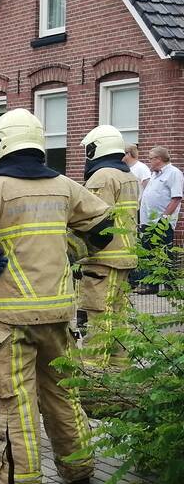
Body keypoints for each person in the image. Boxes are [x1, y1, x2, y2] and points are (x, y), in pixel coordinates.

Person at [0, 109, 113, 484]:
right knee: (63, 393)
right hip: (58, 314)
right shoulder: (65, 186)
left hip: (9, 319)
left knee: (15, 402)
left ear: (0, 145)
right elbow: (105, 229)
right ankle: (78, 468)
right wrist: (69, 250)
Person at [73, 126, 138, 349]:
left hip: (103, 259)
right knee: (118, 318)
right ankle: (119, 366)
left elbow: (92, 220)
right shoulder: (127, 175)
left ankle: (96, 368)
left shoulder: (102, 177)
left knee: (98, 318)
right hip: (124, 255)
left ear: (96, 149)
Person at [136, 146, 183, 294]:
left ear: (159, 159)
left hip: (162, 222)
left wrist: (164, 218)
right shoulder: (154, 175)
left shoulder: (173, 173)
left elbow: (176, 198)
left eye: (151, 158)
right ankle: (152, 285)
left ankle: (170, 287)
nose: (149, 161)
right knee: (149, 252)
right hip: (148, 222)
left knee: (165, 253)